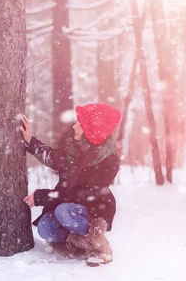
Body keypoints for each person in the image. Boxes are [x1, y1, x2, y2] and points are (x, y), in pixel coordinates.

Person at [20, 103, 121, 265]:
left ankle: (100, 246)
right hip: (67, 203)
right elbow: (55, 159)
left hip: (93, 208)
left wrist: (44, 196)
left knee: (63, 212)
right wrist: (30, 142)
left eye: (80, 124)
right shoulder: (73, 146)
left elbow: (84, 194)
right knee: (45, 228)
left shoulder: (108, 161)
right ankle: (79, 245)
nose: (74, 126)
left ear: (91, 132)